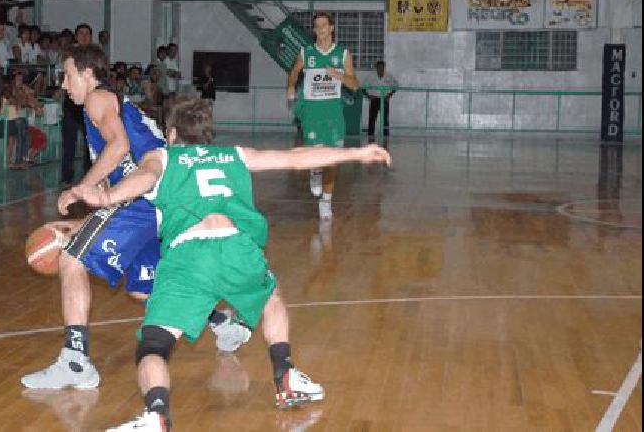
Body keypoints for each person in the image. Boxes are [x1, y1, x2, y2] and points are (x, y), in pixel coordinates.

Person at [62, 98, 391, 431]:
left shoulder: (163, 155)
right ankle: (285, 373)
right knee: (271, 298)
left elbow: (144, 178)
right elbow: (294, 159)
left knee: (154, 345)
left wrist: (106, 197)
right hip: (236, 248)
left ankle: (156, 415)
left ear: (172, 133)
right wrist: (356, 153)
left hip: (187, 256)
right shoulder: (234, 154)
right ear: (207, 134)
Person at [19, 44, 252, 391]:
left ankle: (75, 360)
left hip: (144, 198)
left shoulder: (97, 98)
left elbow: (119, 148)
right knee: (147, 287)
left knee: (72, 259)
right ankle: (221, 322)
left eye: (67, 76)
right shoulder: (110, 101)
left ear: (86, 73)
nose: (64, 85)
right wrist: (84, 221)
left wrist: (81, 188)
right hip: (160, 199)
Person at [285, 11, 360, 220]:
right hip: (312, 111)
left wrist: (340, 75)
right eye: (317, 26)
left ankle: (326, 201)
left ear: (332, 28)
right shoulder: (306, 52)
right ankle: (315, 171)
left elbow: (355, 85)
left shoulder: (343, 54)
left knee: (334, 158)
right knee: (315, 153)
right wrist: (291, 86)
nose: (320, 29)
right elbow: (293, 71)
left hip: (333, 112)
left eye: (324, 25)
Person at [58, 23, 95, 186]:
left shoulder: (95, 56)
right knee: (69, 140)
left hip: (90, 101)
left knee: (91, 141)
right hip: (72, 103)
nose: (84, 36)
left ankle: (90, 176)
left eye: (87, 34)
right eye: (81, 33)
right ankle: (66, 176)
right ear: (76, 36)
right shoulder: (69, 55)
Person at [363, 60, 399, 141]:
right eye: (379, 67)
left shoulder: (388, 76)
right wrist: (368, 96)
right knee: (372, 118)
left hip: (384, 100)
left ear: (384, 67)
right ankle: (370, 136)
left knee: (385, 119)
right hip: (374, 99)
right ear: (376, 68)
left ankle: (386, 137)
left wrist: (390, 95)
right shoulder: (371, 76)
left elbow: (396, 85)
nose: (380, 69)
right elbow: (363, 88)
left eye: (382, 67)